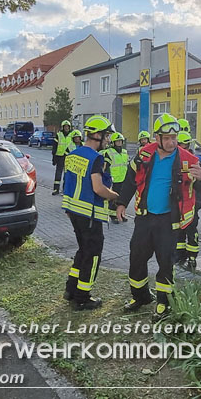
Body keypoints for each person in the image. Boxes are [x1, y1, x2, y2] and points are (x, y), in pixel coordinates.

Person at [116, 114, 201, 319]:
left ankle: (163, 303)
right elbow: (130, 180)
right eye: (166, 138)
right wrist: (121, 203)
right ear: (156, 138)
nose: (171, 142)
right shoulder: (144, 155)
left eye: (174, 137)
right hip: (144, 218)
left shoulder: (188, 159)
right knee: (137, 257)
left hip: (169, 221)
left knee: (166, 262)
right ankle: (140, 296)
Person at [62, 116, 120, 311]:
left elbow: (68, 184)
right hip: (89, 215)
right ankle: (83, 297)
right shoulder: (96, 158)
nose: (108, 140)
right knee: (93, 254)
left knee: (82, 251)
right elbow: (98, 188)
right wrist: (113, 195)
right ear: (97, 135)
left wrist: (68, 209)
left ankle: (71, 289)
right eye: (107, 135)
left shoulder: (73, 155)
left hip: (74, 213)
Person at [175, 131, 201, 272]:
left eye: (183, 144)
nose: (181, 147)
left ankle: (191, 257)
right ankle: (180, 255)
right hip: (180, 202)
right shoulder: (176, 157)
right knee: (180, 230)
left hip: (194, 201)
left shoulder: (194, 158)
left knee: (191, 229)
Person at [102, 132, 130, 223]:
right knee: (113, 198)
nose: (119, 143)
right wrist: (107, 178)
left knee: (122, 198)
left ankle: (121, 214)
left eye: (120, 142)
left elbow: (127, 165)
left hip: (123, 179)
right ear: (113, 143)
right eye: (117, 142)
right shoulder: (109, 152)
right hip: (114, 180)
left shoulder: (125, 152)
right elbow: (106, 167)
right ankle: (113, 215)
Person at [52, 120, 73, 195]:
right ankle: (56, 189)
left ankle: (65, 190)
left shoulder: (72, 135)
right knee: (58, 173)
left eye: (68, 126)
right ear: (63, 127)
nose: (66, 128)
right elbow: (55, 146)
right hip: (59, 156)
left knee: (67, 174)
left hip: (69, 157)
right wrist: (54, 157)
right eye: (65, 126)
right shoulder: (59, 135)